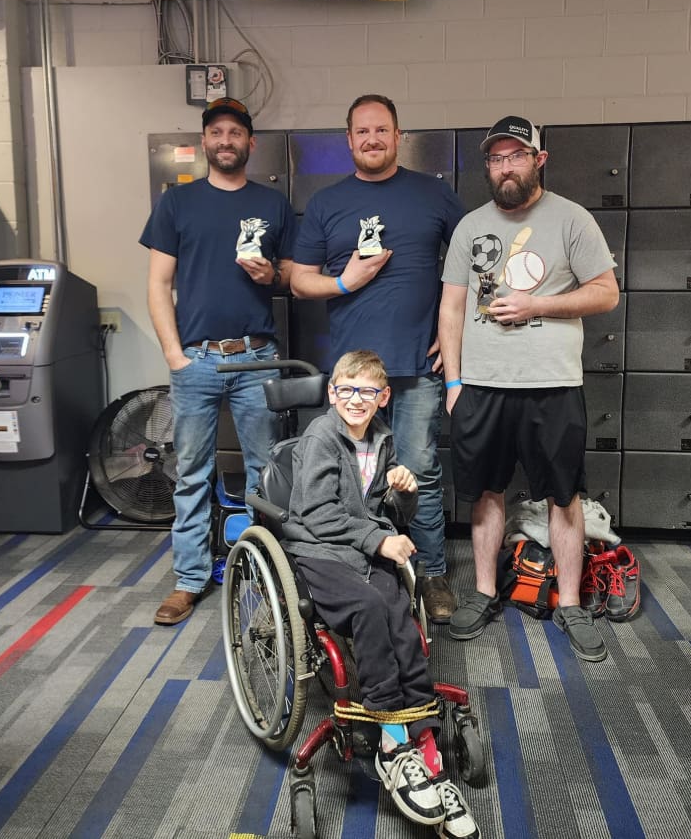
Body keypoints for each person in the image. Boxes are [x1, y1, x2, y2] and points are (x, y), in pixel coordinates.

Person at [438, 116, 619, 661]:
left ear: (539, 159)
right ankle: (486, 592)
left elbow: (605, 293)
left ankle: (568, 603)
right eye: (496, 158)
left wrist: (537, 304)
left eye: (516, 155)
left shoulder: (573, 219)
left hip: (552, 384)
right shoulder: (471, 226)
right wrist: (453, 381)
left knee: (563, 495)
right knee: (486, 492)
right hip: (483, 387)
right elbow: (450, 306)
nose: (505, 166)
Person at [282, 350, 480, 839]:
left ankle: (423, 740)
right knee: (371, 608)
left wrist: (404, 491)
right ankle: (394, 742)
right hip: (321, 553)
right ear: (332, 393)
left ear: (383, 397)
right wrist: (379, 541)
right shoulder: (321, 438)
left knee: (402, 613)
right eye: (347, 390)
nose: (356, 399)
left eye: (368, 391)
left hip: (364, 551)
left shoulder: (383, 439)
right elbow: (318, 513)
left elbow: (392, 515)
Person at [291, 94, 466, 625]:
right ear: (349, 140)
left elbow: (474, 265)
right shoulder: (326, 202)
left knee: (419, 473)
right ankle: (367, 564)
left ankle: (432, 575)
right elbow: (299, 280)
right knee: (353, 476)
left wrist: (457, 334)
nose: (372, 139)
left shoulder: (434, 194)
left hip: (416, 365)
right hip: (355, 376)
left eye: (382, 130)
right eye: (362, 131)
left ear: (397, 136)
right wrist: (346, 280)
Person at [140, 97, 296, 626]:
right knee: (192, 475)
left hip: (256, 358)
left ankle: (264, 570)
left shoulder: (273, 204)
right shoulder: (177, 205)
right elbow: (159, 284)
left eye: (236, 132)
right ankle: (188, 580)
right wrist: (172, 354)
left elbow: (290, 277)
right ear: (205, 142)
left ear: (251, 144)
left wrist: (268, 276)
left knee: (265, 472)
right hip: (198, 362)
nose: (226, 140)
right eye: (217, 132)